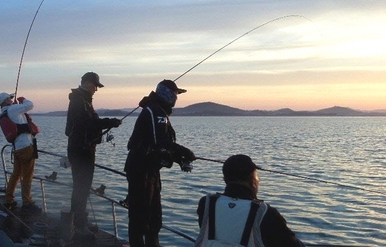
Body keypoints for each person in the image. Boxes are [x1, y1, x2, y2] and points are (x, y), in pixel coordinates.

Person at [124, 79, 196, 247]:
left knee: (154, 217)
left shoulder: (158, 111)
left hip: (150, 169)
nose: (177, 98)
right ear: (166, 93)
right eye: (175, 94)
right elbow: (160, 142)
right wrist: (184, 152)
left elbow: (159, 147)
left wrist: (179, 159)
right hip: (141, 170)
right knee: (139, 216)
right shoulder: (154, 111)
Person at [194, 154, 306, 247]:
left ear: (225, 180)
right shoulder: (266, 213)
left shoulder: (206, 204)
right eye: (257, 178)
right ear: (252, 182)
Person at [65, 72, 122, 239]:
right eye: (96, 85)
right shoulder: (79, 100)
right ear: (89, 83)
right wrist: (111, 121)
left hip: (82, 148)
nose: (97, 89)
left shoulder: (83, 99)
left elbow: (89, 121)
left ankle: (79, 220)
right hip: (81, 150)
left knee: (82, 187)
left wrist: (108, 122)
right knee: (81, 187)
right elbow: (88, 122)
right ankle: (79, 225)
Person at [0, 92, 41, 213]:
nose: (12, 99)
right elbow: (30, 105)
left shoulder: (5, 113)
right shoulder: (14, 109)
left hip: (16, 148)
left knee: (15, 175)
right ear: (6, 101)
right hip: (26, 147)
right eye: (10, 98)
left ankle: (9, 199)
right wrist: (23, 99)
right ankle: (27, 202)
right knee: (27, 176)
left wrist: (17, 105)